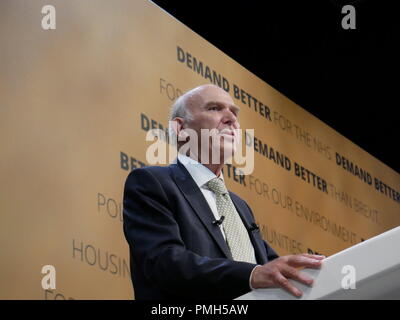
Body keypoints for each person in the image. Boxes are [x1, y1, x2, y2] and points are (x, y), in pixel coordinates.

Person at [123, 84, 324, 300]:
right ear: (180, 128)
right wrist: (252, 274)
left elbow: (271, 271)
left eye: (234, 112)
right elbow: (164, 263)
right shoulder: (152, 183)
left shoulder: (240, 207)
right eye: (214, 108)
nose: (231, 119)